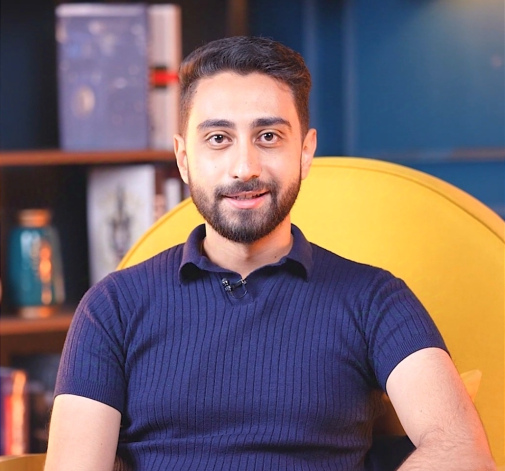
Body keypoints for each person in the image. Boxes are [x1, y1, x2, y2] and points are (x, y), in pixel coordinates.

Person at [45, 36, 496, 471]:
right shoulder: (112, 308)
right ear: (183, 158)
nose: (245, 168)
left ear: (305, 151)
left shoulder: (375, 299)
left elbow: (463, 453)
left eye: (268, 136)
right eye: (218, 138)